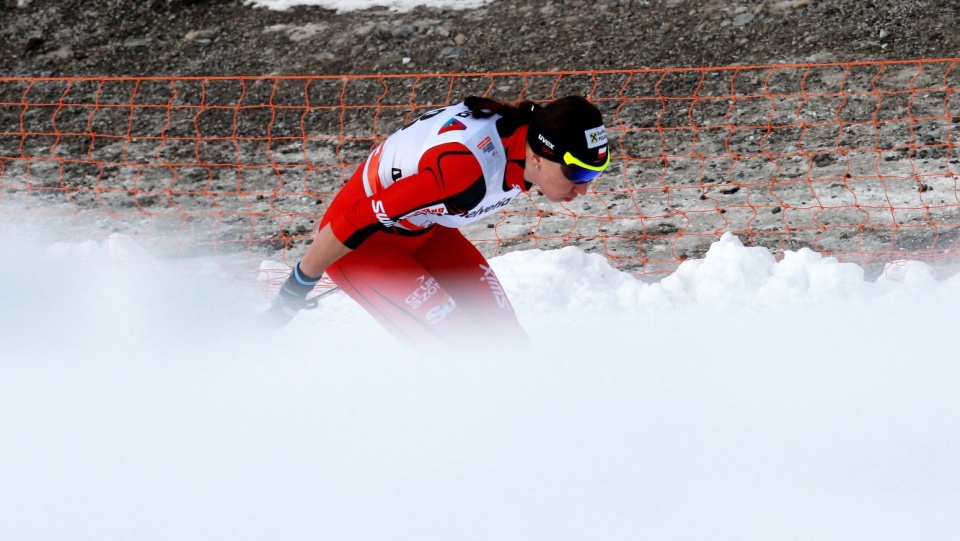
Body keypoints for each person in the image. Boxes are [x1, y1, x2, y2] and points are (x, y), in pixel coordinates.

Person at [262, 95, 611, 347]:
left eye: (595, 172)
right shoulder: (464, 172)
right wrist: (295, 287)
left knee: (509, 343)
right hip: (361, 247)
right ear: (539, 156)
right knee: (459, 351)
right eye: (577, 172)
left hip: (426, 231)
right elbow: (354, 219)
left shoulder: (528, 139)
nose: (583, 188)